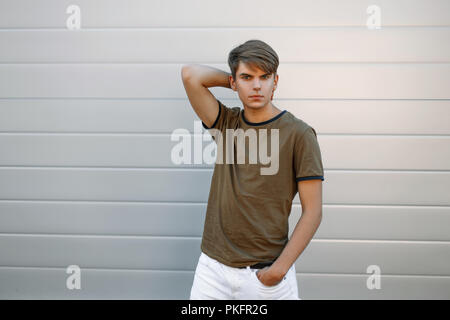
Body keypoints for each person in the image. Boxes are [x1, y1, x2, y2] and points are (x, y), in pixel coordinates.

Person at [181, 39, 324, 300]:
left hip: (266, 276)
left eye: (264, 77)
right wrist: (235, 81)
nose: (257, 85)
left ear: (275, 81)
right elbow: (190, 75)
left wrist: (279, 270)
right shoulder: (226, 124)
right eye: (248, 77)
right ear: (234, 82)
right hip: (213, 272)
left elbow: (313, 212)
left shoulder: (300, 134)